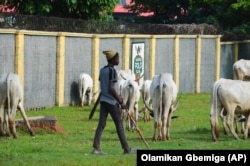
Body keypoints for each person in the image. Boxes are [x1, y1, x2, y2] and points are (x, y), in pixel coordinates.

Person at [92, 50, 136, 155]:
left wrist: (118, 96)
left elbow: (103, 83)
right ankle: (127, 149)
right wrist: (121, 101)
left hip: (103, 101)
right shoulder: (112, 71)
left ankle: (96, 148)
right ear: (112, 60)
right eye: (117, 58)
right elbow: (111, 88)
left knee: (101, 124)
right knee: (119, 125)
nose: (118, 60)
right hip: (111, 102)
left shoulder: (102, 70)